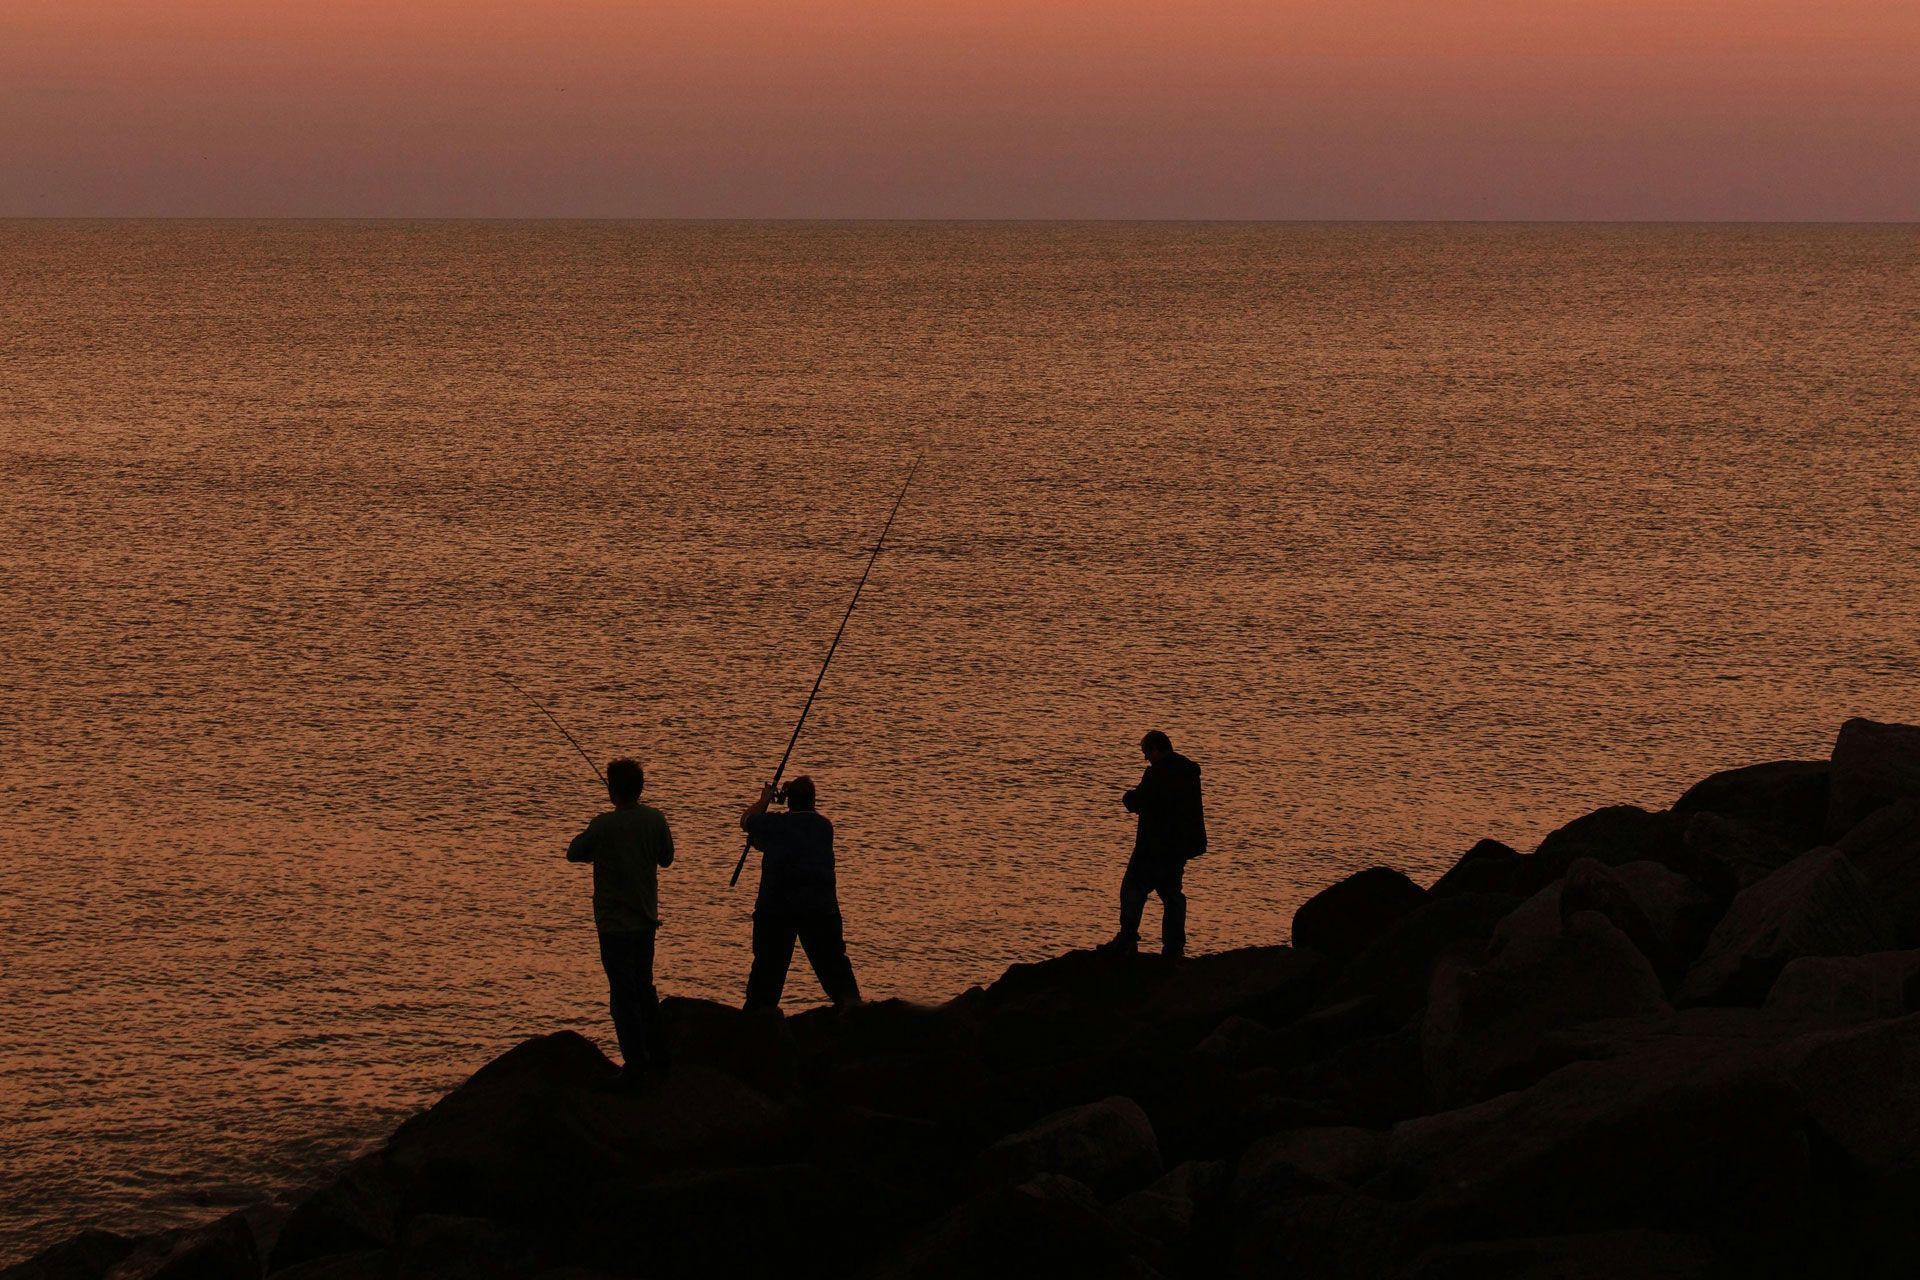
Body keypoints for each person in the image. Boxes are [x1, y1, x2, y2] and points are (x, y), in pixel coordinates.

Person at [568, 757, 675, 1078]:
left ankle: (635, 1062)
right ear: (639, 789)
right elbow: (666, 859)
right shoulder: (656, 820)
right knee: (644, 988)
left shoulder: (602, 825)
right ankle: (659, 1056)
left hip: (613, 925)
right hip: (645, 921)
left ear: (613, 790)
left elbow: (574, 853)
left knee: (622, 995)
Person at [739, 775, 861, 1011]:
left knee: (766, 973)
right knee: (836, 970)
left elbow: (747, 820)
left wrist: (764, 799)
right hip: (820, 910)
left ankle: (756, 1025)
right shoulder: (825, 828)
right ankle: (855, 1014)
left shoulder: (775, 825)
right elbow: (787, 842)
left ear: (788, 801)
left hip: (776, 910)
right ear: (813, 800)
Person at [1100, 730, 1206, 959]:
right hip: (1177, 848)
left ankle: (1127, 938)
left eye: (1146, 752)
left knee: (1132, 888)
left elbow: (1141, 801)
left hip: (1153, 847)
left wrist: (1128, 798)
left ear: (1156, 749)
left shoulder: (1157, 774)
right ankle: (1174, 947)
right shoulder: (1188, 772)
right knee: (1172, 894)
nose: (1146, 758)